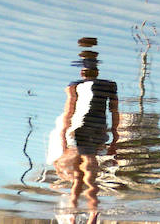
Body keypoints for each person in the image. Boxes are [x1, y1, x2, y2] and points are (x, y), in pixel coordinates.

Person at [47, 37, 119, 212]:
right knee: (87, 171)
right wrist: (115, 137)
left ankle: (80, 210)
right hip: (98, 128)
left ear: (81, 72)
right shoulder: (110, 85)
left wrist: (63, 136)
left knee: (81, 173)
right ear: (97, 71)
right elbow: (114, 112)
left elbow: (68, 112)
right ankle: (89, 210)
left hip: (81, 129)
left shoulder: (74, 86)